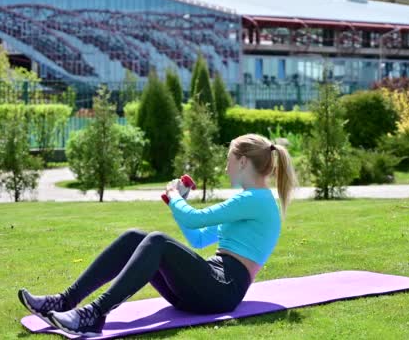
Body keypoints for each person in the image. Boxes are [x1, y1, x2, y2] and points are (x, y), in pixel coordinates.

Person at [17, 134, 298, 336]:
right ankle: (65, 301)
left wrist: (177, 197)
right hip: (208, 288)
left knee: (156, 241)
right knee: (134, 237)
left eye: (229, 160)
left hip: (223, 289)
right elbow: (198, 238)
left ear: (244, 162)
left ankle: (93, 314)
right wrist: (176, 204)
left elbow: (193, 217)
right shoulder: (251, 201)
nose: (226, 167)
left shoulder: (254, 200)